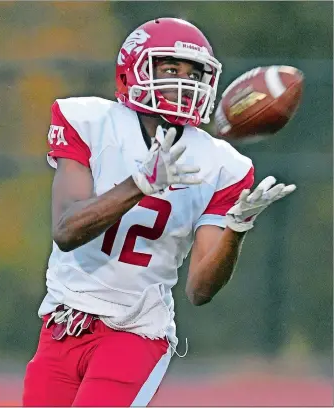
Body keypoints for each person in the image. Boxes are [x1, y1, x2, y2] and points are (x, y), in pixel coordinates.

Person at [22, 17, 296, 407]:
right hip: (63, 323)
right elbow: (66, 231)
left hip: (135, 329)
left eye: (194, 72)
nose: (184, 81)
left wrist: (236, 229)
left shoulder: (222, 165)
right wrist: (140, 184)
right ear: (133, 69)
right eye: (170, 69)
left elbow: (199, 290)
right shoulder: (90, 122)